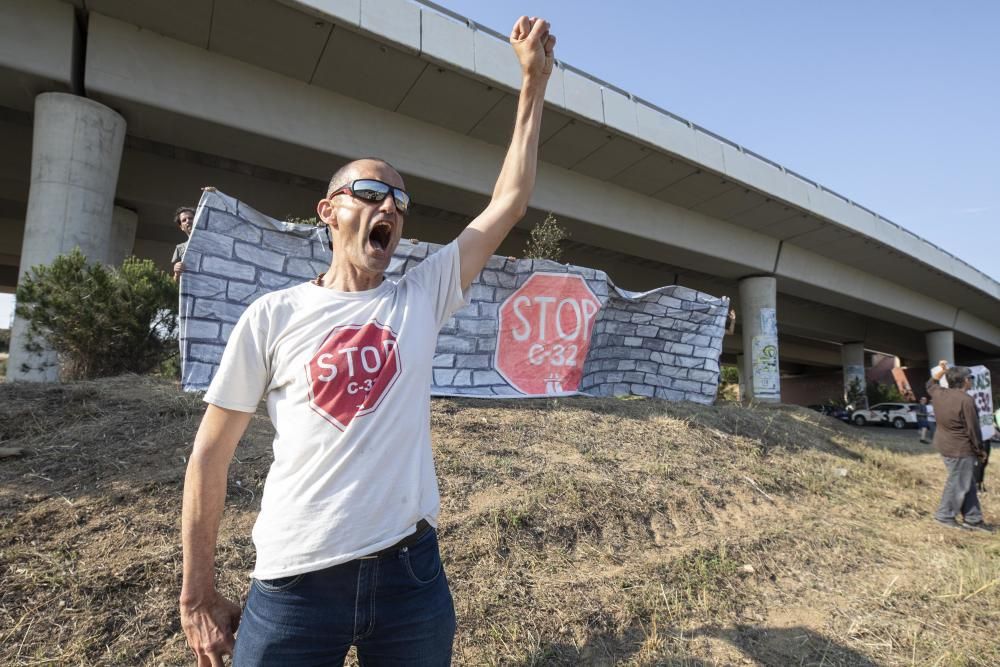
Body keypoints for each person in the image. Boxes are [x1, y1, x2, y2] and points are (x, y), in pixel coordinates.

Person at [179, 16, 556, 666]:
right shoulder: (272, 316)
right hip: (295, 583)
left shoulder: (420, 295)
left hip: (409, 578)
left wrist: (534, 82)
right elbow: (210, 456)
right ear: (329, 210)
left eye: (400, 201)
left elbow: (510, 201)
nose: (390, 207)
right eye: (371, 192)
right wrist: (197, 593)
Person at [926, 361, 991, 532]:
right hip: (961, 449)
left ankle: (973, 519)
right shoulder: (966, 400)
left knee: (965, 482)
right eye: (971, 378)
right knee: (958, 483)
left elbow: (930, 383)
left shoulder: (939, 393)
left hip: (944, 445)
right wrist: (980, 451)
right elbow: (973, 430)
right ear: (964, 381)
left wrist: (941, 370)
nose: (972, 381)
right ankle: (944, 516)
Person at [172, 206, 195, 282]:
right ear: (181, 227)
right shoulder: (180, 248)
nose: (188, 221)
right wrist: (176, 273)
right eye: (184, 220)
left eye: (191, 218)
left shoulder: (212, 240)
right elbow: (173, 285)